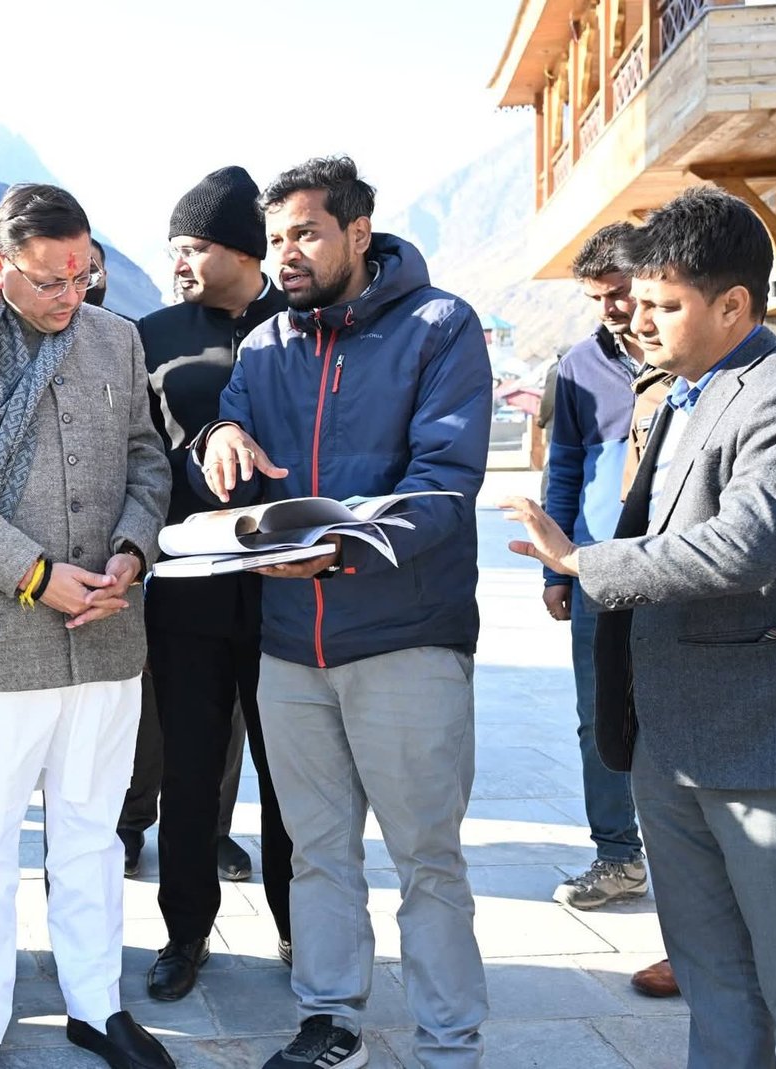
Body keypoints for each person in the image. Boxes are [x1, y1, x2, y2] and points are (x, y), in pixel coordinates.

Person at [503, 185, 776, 1067]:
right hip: (672, 742)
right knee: (714, 979)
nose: (640, 322)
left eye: (664, 305)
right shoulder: (679, 393)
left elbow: (744, 547)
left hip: (773, 743)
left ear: (733, 305)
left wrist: (584, 563)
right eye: (639, 302)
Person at [192, 156, 491, 1068]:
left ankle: (449, 1041)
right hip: (290, 646)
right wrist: (219, 435)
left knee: (426, 857)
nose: (285, 253)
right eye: (275, 237)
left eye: (306, 233)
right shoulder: (263, 346)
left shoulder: (441, 327)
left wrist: (341, 551)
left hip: (406, 640)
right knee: (316, 850)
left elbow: (445, 483)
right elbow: (232, 435)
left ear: (358, 234)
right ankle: (330, 1021)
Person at [0, 182, 172, 1069]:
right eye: (50, 279)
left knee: (92, 832)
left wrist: (132, 550)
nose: (70, 295)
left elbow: (147, 456)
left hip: (109, 632)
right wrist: (38, 576)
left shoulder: (117, 337)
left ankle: (96, 1004)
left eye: (82, 277)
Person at [139, 165, 293, 1002]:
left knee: (292, 773)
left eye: (194, 247)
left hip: (288, 589)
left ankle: (301, 927)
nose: (179, 262)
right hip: (189, 591)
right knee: (190, 775)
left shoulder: (305, 322)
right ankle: (184, 932)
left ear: (243, 251)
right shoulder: (151, 334)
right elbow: (137, 452)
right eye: (174, 247)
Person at [541, 222, 648, 912]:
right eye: (597, 296)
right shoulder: (578, 366)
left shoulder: (698, 358)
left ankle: (698, 856)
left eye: (619, 290)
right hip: (594, 570)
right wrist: (556, 570)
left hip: (677, 570)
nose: (611, 306)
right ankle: (617, 855)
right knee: (599, 718)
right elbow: (565, 468)